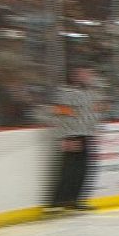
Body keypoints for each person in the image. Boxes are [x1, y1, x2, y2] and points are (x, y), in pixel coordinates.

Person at [43, 65, 108, 213]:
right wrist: (66, 137)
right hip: (73, 135)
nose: (88, 77)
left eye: (89, 74)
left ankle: (75, 199)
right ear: (74, 76)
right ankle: (57, 202)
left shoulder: (92, 93)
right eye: (84, 73)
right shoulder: (66, 93)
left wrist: (97, 127)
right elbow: (61, 115)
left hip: (87, 134)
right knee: (69, 169)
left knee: (83, 170)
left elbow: (97, 111)